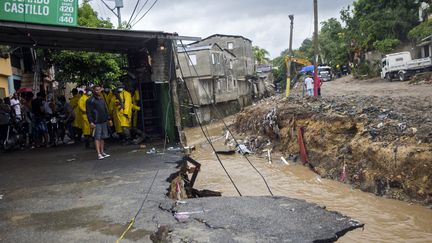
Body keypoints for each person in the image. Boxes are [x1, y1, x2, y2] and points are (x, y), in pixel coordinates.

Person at [86, 85, 111, 160]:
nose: (98, 91)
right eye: (96, 90)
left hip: (103, 120)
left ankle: (102, 152)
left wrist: (109, 119)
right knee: (97, 137)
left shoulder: (101, 99)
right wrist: (91, 122)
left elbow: (105, 109)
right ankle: (99, 153)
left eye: (99, 90)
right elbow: (89, 112)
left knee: (103, 137)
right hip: (96, 121)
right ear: (93, 91)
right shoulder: (90, 100)